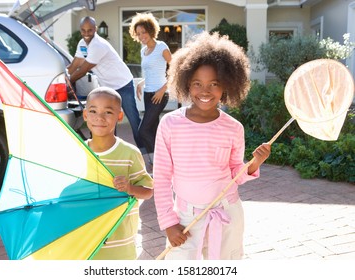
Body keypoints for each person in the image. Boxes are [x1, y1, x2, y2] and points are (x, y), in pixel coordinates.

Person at [153, 31, 271, 260]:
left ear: (226, 86)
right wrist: (169, 223)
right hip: (186, 217)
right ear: (186, 83)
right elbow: (162, 177)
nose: (205, 91)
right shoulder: (170, 124)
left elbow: (234, 173)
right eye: (197, 84)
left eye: (213, 84)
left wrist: (255, 163)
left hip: (227, 214)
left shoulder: (233, 128)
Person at [83, 86, 153, 259]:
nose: (99, 117)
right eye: (93, 111)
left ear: (119, 116)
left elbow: (148, 191)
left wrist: (129, 188)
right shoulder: (78, 152)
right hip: (88, 239)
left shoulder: (130, 153)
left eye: (108, 112)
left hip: (121, 241)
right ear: (85, 115)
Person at [67, 16, 142, 148]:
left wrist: (67, 82)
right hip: (108, 87)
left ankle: (145, 150)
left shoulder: (98, 45)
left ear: (95, 29)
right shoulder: (82, 44)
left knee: (133, 119)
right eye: (83, 31)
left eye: (89, 30)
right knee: (110, 119)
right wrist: (63, 75)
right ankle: (112, 148)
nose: (86, 34)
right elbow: (75, 65)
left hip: (123, 83)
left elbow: (83, 70)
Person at [129, 13, 172, 165]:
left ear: (151, 30)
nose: (141, 36)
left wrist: (162, 90)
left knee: (143, 130)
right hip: (148, 94)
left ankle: (161, 161)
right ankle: (156, 161)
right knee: (152, 130)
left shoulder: (162, 47)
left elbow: (175, 70)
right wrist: (142, 82)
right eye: (138, 33)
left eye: (144, 32)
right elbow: (152, 72)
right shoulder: (143, 51)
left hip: (159, 95)